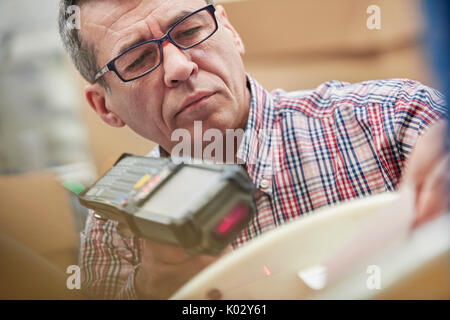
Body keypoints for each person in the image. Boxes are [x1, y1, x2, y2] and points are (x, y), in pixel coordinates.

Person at [58, 0, 448, 299]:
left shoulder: (396, 121)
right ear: (105, 107)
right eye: (139, 58)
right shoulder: (113, 231)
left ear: (230, 31)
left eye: (190, 31)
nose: (179, 67)